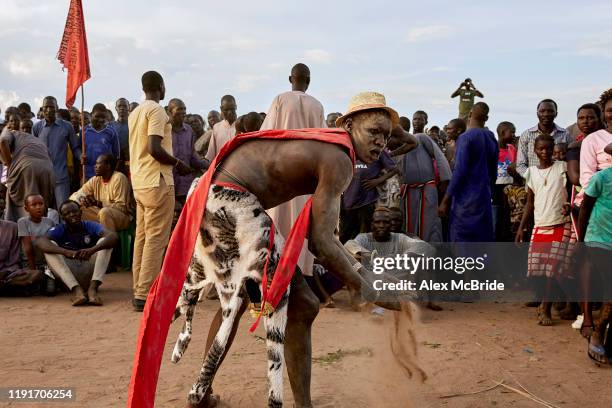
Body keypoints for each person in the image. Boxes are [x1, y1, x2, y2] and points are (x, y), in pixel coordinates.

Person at [129, 91, 414, 408]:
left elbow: (321, 240)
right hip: (232, 204)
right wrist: (368, 288)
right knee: (303, 303)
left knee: (238, 302)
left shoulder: (329, 145)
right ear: (347, 123)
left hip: (216, 200)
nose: (380, 143)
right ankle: (296, 404)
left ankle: (200, 391)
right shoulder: (339, 158)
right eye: (374, 132)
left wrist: (360, 274)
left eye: (386, 137)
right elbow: (321, 243)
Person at [129, 71, 191, 312]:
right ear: (161, 87)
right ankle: (145, 294)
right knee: (156, 238)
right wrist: (178, 163)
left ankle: (139, 289)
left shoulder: (135, 112)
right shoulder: (156, 111)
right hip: (157, 181)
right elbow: (154, 147)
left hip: (141, 182)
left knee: (142, 238)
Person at [261, 63, 327, 277]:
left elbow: (266, 135)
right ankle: (299, 272)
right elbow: (324, 142)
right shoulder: (317, 106)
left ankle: (277, 271)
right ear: (308, 81)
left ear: (291, 79)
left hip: (280, 173)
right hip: (306, 176)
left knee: (277, 222)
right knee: (301, 223)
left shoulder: (280, 100)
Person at [515, 134, 575, 326]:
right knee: (536, 269)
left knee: (553, 267)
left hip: (561, 223)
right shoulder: (531, 172)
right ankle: (554, 300)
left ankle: (546, 307)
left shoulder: (563, 168)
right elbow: (530, 203)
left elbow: (574, 190)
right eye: (541, 149)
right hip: (540, 224)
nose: (545, 152)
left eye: (548, 149)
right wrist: (521, 228)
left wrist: (569, 205)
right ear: (535, 151)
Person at [35, 200, 118, 306]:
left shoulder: (89, 225)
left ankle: (93, 289)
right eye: (67, 213)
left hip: (89, 275)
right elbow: (40, 241)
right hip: (68, 278)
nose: (72, 215)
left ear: (80, 212)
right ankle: (77, 290)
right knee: (49, 247)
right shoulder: (60, 228)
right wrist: (67, 252)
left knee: (105, 242)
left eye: (75, 211)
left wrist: (92, 250)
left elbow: (113, 236)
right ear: (63, 217)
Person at [439, 102, 498, 242]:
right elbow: (493, 174)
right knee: (483, 242)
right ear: (487, 118)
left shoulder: (465, 138)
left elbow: (459, 171)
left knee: (462, 242)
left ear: (470, 114)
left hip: (465, 201)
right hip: (483, 198)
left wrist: (445, 201)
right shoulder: (491, 138)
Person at [577, 143, 612, 363]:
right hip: (599, 239)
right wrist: (581, 240)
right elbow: (585, 208)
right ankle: (598, 332)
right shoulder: (602, 178)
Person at [399, 114, 452, 241]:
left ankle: (432, 251)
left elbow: (439, 157)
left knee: (429, 221)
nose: (416, 121)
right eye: (415, 119)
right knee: (408, 222)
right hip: (407, 190)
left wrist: (445, 180)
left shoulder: (422, 138)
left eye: (419, 119)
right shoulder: (397, 143)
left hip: (426, 188)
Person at [340, 146, 399, 242]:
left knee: (367, 234)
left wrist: (377, 181)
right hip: (347, 200)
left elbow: (394, 169)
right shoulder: (348, 147)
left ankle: (368, 256)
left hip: (367, 201)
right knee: (345, 235)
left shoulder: (378, 149)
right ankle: (346, 256)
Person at [32, 96, 81, 208]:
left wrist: (80, 156)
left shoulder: (67, 126)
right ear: (42, 109)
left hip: (61, 177)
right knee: (44, 211)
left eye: (51, 107)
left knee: (63, 210)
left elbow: (75, 148)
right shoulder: (36, 127)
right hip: (42, 178)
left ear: (57, 108)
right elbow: (32, 151)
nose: (49, 110)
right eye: (46, 107)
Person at [0, 128, 55, 221]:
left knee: (23, 204)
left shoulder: (8, 131)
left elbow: (2, 141)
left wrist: (10, 165)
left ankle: (20, 230)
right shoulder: (34, 139)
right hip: (48, 169)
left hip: (27, 167)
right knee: (41, 205)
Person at [70, 154, 132, 231]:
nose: (95, 166)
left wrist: (99, 203)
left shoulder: (119, 178)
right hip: (100, 213)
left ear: (108, 166)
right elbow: (77, 195)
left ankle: (110, 240)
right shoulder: (95, 179)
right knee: (78, 211)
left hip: (121, 216)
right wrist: (82, 199)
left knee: (104, 212)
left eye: (98, 163)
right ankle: (87, 240)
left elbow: (122, 207)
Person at [516, 99, 569, 177]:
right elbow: (520, 165)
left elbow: (571, 160)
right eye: (542, 111)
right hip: (533, 184)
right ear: (537, 113)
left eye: (550, 111)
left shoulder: (565, 134)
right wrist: (534, 178)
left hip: (558, 183)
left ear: (556, 114)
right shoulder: (526, 135)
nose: (546, 114)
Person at [168, 98, 207, 204]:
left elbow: (192, 155)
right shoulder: (164, 130)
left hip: (186, 184)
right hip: (169, 184)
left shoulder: (189, 130)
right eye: (179, 109)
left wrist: (208, 164)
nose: (183, 112)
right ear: (169, 111)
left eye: (184, 109)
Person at [0, 219, 43, 296]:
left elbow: (13, 259)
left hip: (5, 274)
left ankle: (5, 287)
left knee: (36, 274)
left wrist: (5, 272)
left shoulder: (12, 227)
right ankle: (9, 289)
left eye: (1, 208)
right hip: (5, 279)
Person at [17, 194, 56, 271]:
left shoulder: (49, 222)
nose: (38, 207)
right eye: (34, 205)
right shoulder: (23, 222)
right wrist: (33, 270)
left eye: (41, 204)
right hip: (29, 262)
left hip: (48, 262)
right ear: (26, 208)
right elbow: (28, 248)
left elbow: (52, 243)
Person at [494, 121, 519, 241]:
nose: (514, 135)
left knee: (507, 217)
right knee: (496, 217)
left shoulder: (512, 148)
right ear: (503, 133)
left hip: (510, 187)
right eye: (512, 132)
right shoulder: (494, 149)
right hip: (496, 188)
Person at [83, 103, 120, 180]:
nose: (100, 119)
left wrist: (113, 174)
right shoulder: (84, 131)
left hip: (106, 177)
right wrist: (80, 155)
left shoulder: (111, 131)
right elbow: (77, 149)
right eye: (97, 116)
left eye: (103, 117)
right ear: (91, 114)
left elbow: (117, 155)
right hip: (88, 175)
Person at [205, 96, 237, 161]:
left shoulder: (242, 124)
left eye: (232, 109)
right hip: (221, 168)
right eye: (226, 110)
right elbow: (211, 154)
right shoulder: (217, 127)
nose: (229, 112)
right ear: (221, 109)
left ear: (236, 107)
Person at [111, 98, 130, 172]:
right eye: (119, 106)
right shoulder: (110, 126)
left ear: (128, 107)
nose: (122, 108)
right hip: (114, 163)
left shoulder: (133, 125)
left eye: (125, 106)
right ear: (116, 108)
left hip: (130, 162)